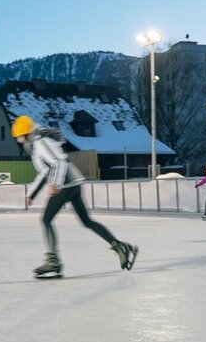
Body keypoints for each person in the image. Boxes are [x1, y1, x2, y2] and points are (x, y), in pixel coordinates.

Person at [10, 115, 137, 278]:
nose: (18, 140)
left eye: (19, 136)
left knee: (46, 219)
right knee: (87, 221)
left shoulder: (41, 142)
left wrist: (55, 183)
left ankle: (53, 262)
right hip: (72, 182)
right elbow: (44, 172)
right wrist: (31, 194)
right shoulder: (36, 144)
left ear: (26, 133)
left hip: (66, 183)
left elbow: (58, 162)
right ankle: (120, 246)